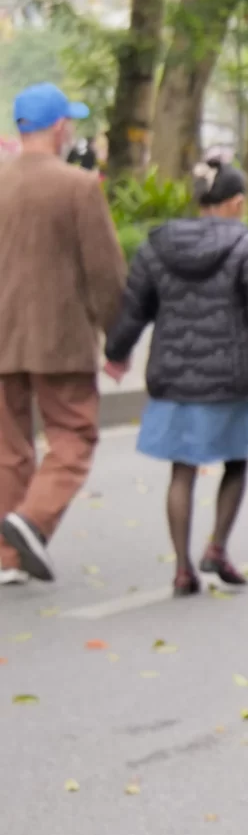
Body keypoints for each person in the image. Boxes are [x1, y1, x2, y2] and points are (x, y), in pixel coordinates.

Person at [104, 165, 248, 595]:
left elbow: (134, 309)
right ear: (236, 203)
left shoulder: (157, 245)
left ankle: (182, 569)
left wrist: (115, 352)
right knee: (235, 461)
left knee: (182, 470)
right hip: (227, 376)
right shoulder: (247, 246)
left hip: (173, 374)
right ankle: (217, 547)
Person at [0, 83, 126, 585]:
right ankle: (31, 522)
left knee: (7, 449)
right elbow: (104, 272)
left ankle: (6, 559)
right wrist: (117, 339)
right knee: (74, 436)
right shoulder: (78, 186)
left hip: (2, 338)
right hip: (60, 339)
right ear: (59, 127)